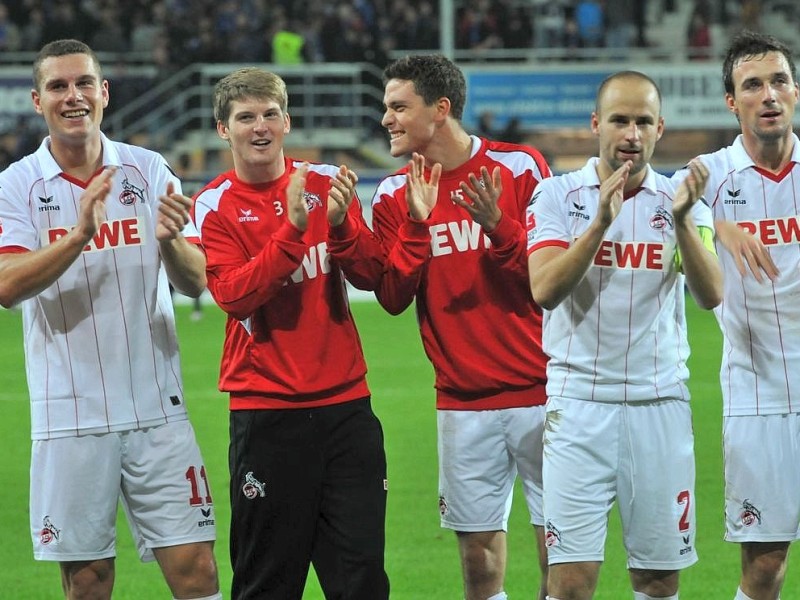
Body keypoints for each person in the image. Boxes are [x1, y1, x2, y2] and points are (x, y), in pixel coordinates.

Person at [0, 39, 221, 600]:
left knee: (197, 568)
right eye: (58, 86)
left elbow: (196, 281)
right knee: (88, 582)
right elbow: (6, 285)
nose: (72, 96)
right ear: (37, 100)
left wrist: (171, 242)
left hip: (156, 407)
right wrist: (77, 236)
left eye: (83, 84)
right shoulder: (16, 185)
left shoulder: (148, 170)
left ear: (104, 92)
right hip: (69, 413)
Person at [191, 67, 389, 600]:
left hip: (347, 408)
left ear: (287, 121)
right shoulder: (215, 205)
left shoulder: (325, 182)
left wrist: (345, 225)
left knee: (363, 579)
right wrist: (293, 232)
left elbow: (376, 279)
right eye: (245, 117)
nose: (260, 127)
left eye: (270, 115)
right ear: (222, 130)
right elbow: (234, 295)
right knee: (267, 583)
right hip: (268, 413)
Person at [527, 71, 722, 600]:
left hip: (658, 407)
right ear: (596, 124)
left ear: (660, 128)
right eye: (619, 120)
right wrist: (597, 226)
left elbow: (711, 295)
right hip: (577, 410)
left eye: (642, 121)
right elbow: (543, 289)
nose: (631, 133)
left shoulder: (685, 202)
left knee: (658, 582)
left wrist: (682, 219)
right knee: (568, 583)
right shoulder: (556, 195)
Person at [372, 54, 552, 600]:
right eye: (386, 107)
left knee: (560, 552)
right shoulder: (391, 195)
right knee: (477, 564)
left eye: (399, 107)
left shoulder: (520, 168)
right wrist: (415, 223)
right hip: (461, 400)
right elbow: (393, 297)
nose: (387, 119)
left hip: (543, 391)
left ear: (440, 109)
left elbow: (548, 280)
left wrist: (500, 228)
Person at [674, 30, 800, 600]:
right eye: (753, 85)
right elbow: (673, 208)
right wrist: (716, 225)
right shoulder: (708, 175)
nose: (769, 94)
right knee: (766, 566)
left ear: (794, 91)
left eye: (779, 81)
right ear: (733, 101)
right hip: (758, 393)